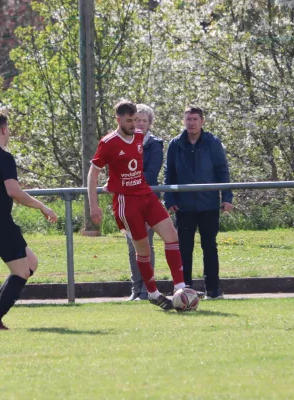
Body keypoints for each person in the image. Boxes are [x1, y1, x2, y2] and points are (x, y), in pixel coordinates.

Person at [87, 100, 186, 311]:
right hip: (126, 202)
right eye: (130, 121)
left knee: (172, 236)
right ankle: (152, 292)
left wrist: (114, 179)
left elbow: (130, 166)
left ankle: (180, 287)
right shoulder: (108, 142)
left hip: (146, 196)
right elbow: (93, 172)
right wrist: (93, 205)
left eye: (136, 120)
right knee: (143, 250)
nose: (135, 125)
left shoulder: (140, 137)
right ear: (119, 119)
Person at [0, 111, 57, 330]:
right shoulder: (4, 157)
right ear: (4, 129)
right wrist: (42, 206)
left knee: (31, 263)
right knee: (21, 272)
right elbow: (14, 191)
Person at [164, 105, 233, 300]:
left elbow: (222, 171)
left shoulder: (213, 142)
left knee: (209, 246)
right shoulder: (175, 144)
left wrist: (227, 197)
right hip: (184, 206)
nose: (191, 123)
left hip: (209, 204)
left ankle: (213, 289)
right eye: (188, 119)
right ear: (183, 121)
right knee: (184, 248)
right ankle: (185, 289)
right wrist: (169, 199)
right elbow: (169, 174)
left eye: (195, 119)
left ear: (202, 121)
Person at [125, 104, 163, 301]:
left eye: (143, 120)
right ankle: (135, 288)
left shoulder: (155, 144)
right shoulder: (123, 141)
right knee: (132, 246)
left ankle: (148, 289)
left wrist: (127, 180)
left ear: (149, 123)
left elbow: (150, 173)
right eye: (136, 120)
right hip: (126, 200)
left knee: (146, 245)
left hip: (146, 200)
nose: (139, 124)